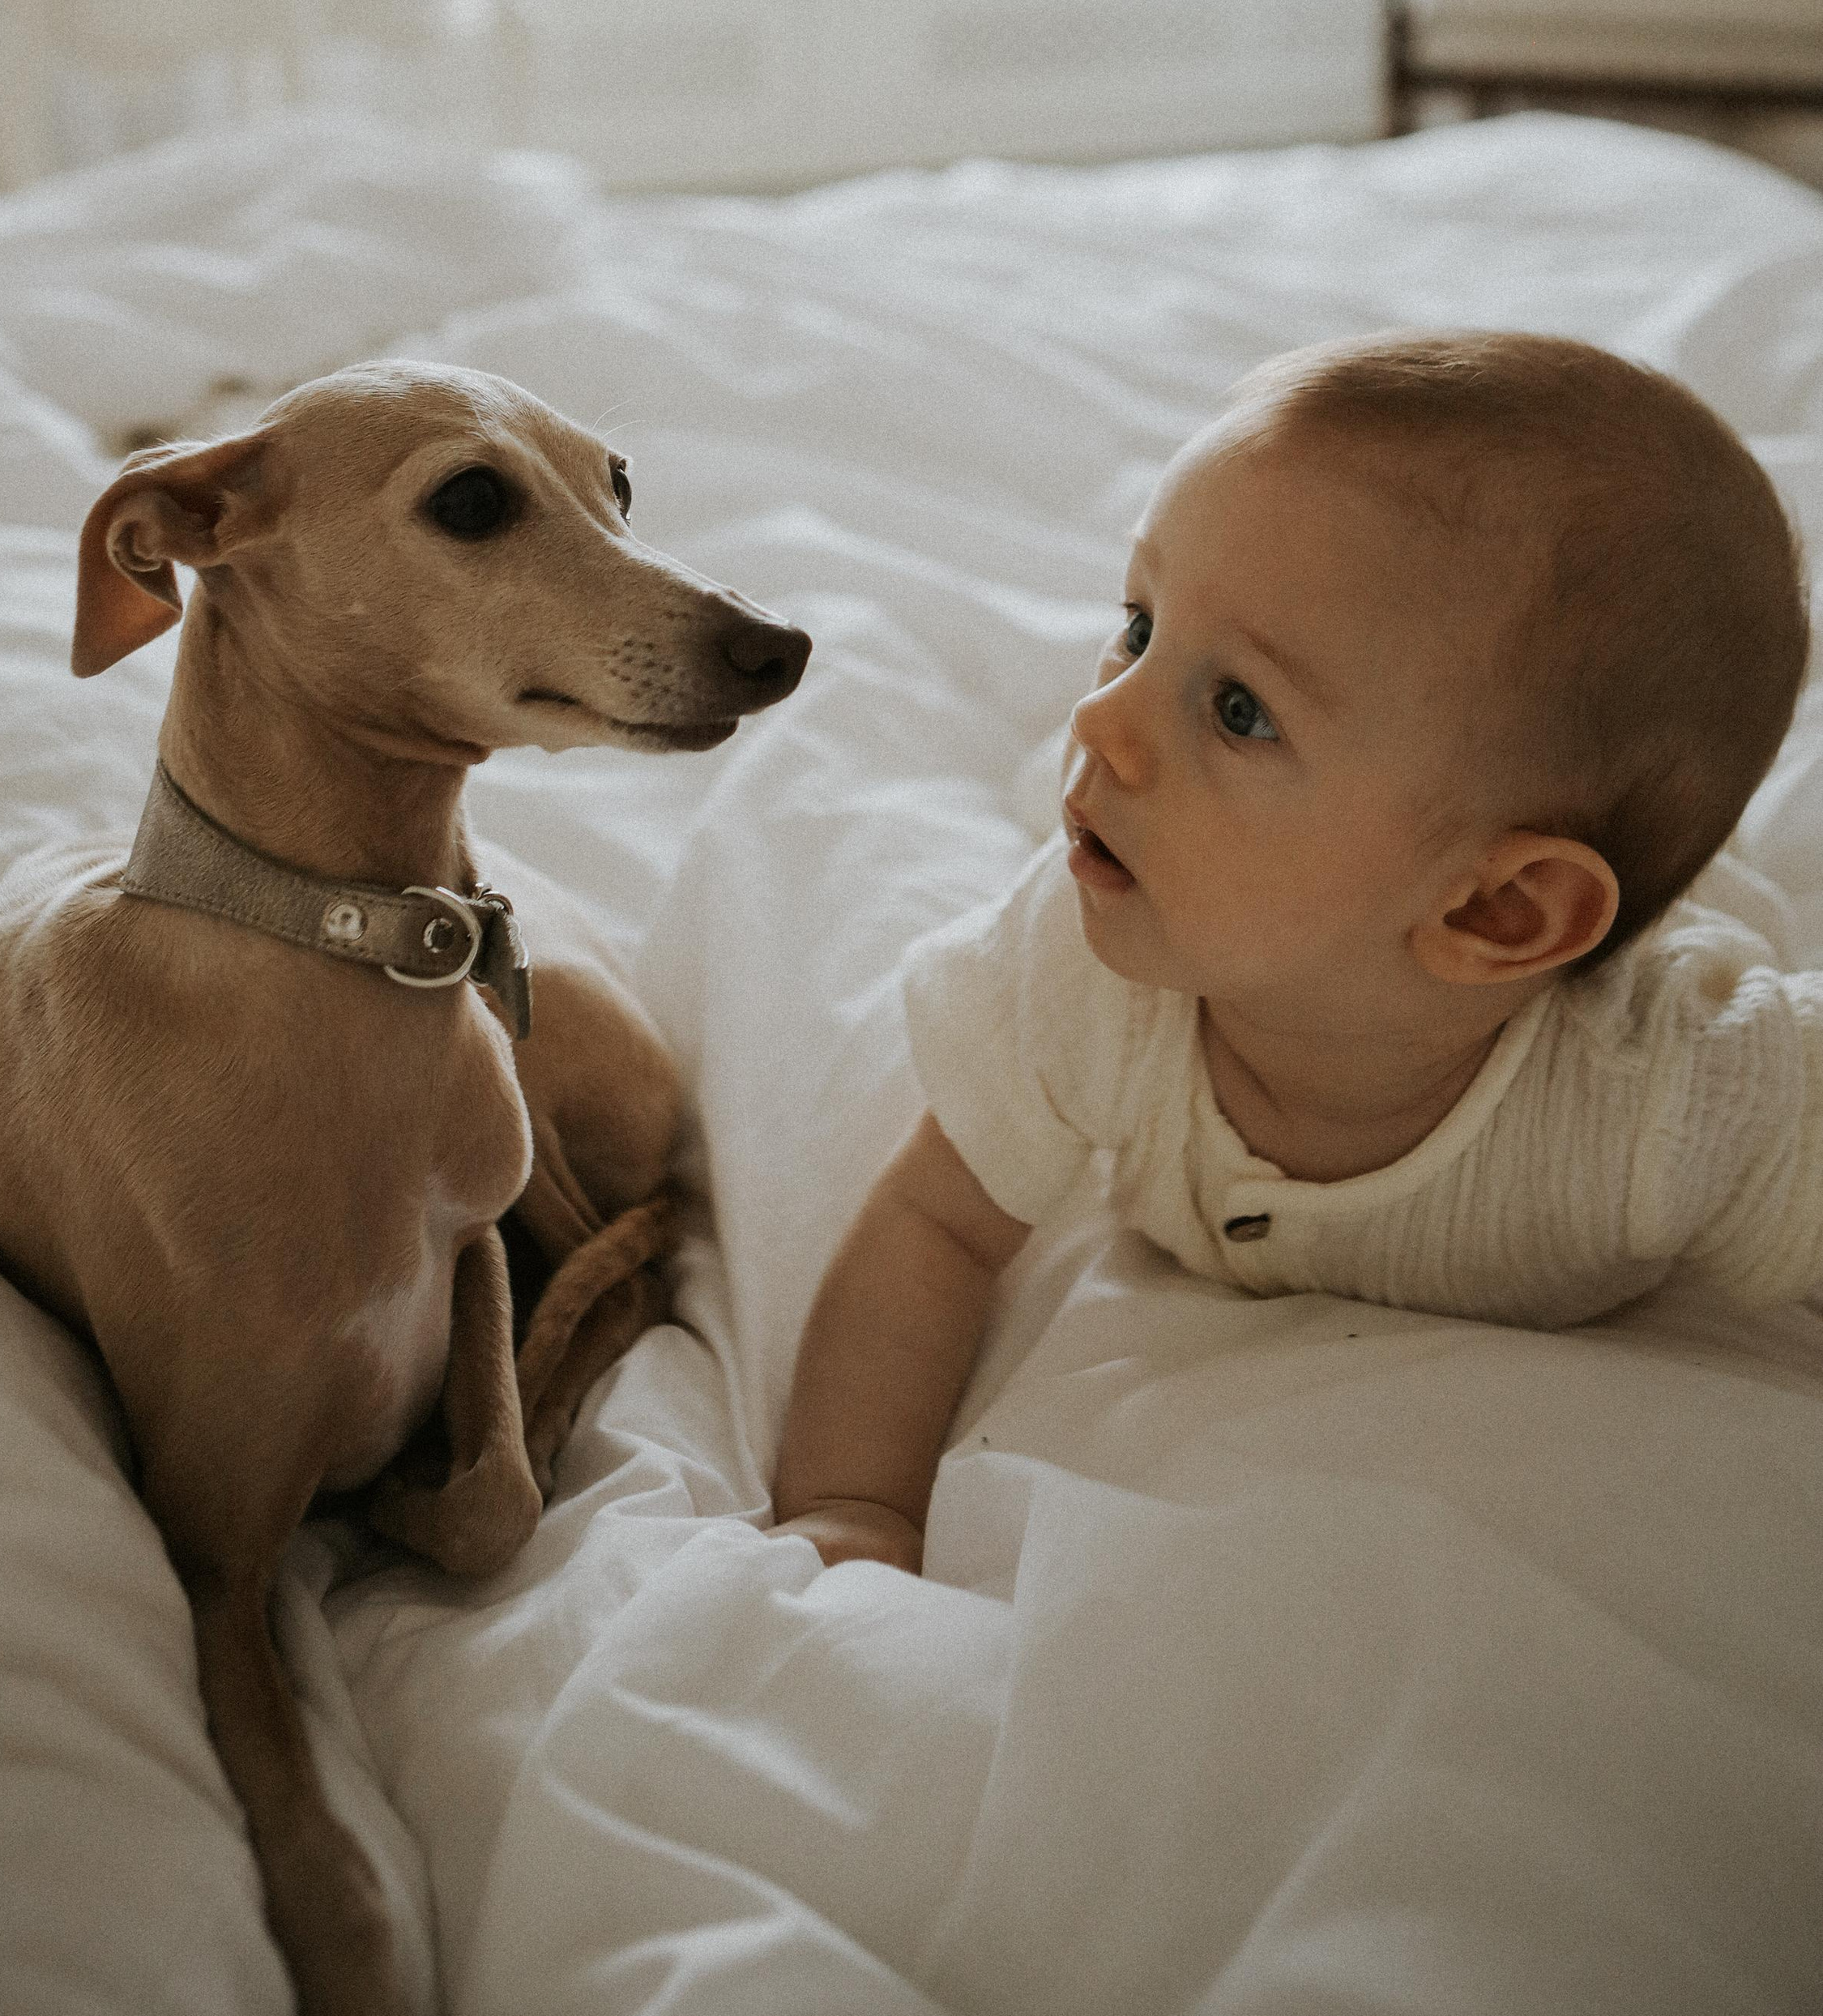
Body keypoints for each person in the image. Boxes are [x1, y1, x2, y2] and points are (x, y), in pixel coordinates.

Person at [771, 331, 1822, 1575]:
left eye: (1239, 711)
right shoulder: (1083, 973)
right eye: (1138, 625)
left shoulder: (1676, 1099)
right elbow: (934, 1228)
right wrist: (855, 1507)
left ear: (1495, 915)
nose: (1102, 715)